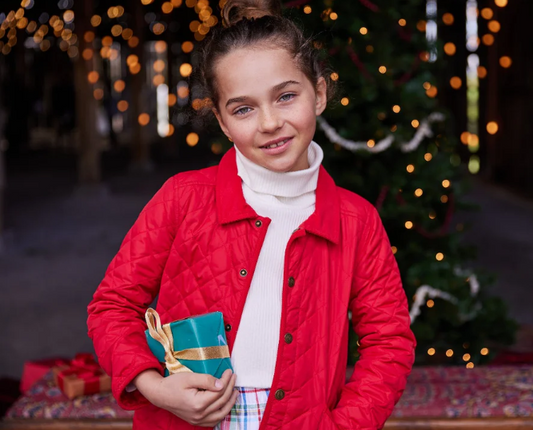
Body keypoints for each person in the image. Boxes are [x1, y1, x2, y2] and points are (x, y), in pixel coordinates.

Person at [87, 0, 416, 429]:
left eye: (285, 96)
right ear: (223, 122)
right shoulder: (182, 198)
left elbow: (388, 343)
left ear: (319, 93)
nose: (269, 122)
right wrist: (153, 385)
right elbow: (112, 306)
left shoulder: (358, 221)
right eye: (243, 108)